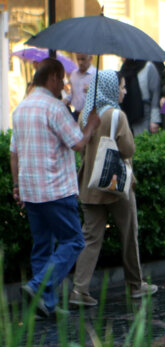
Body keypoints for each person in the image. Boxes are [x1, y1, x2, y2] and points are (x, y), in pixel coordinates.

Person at [9, 58, 100, 316]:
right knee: (74, 241)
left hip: (31, 190)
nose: (63, 84)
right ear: (51, 78)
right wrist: (92, 123)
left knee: (42, 247)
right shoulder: (55, 108)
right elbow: (78, 144)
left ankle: (45, 305)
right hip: (56, 189)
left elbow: (13, 152)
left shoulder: (21, 109)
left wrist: (16, 185)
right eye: (61, 79)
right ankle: (38, 287)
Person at [68, 70, 158, 307]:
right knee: (129, 235)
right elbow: (128, 150)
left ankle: (79, 290)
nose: (124, 91)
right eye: (121, 86)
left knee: (90, 238)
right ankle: (135, 285)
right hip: (115, 185)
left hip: (89, 185)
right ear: (110, 88)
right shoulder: (117, 116)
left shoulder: (85, 115)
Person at [119, 59, 161, 136]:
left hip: (144, 113)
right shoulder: (125, 67)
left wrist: (155, 120)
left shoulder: (148, 67)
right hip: (127, 111)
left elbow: (155, 94)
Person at [63, 53, 96, 121]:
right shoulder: (74, 74)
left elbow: (101, 95)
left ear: (90, 58)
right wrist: (65, 100)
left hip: (90, 116)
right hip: (75, 114)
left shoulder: (96, 74)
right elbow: (71, 93)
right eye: (78, 59)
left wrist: (91, 90)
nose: (80, 62)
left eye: (83, 59)